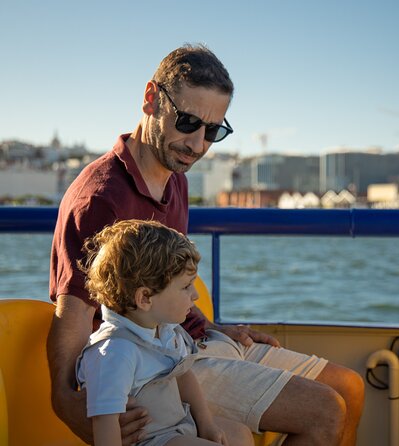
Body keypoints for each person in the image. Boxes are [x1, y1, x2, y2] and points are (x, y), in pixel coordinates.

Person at [48, 43, 364, 446]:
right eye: (187, 122)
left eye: (212, 131)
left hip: (190, 343)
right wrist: (64, 402)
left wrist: (216, 328)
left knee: (349, 389)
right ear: (151, 99)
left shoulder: (175, 177)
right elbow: (73, 311)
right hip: (149, 368)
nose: (197, 145)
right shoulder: (102, 198)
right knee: (324, 411)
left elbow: (163, 284)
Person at [76, 219, 253, 446]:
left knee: (240, 435)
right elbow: (105, 423)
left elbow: (183, 374)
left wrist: (206, 422)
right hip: (151, 440)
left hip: (177, 425)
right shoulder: (115, 352)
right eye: (186, 286)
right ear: (145, 298)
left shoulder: (165, 330)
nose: (195, 295)